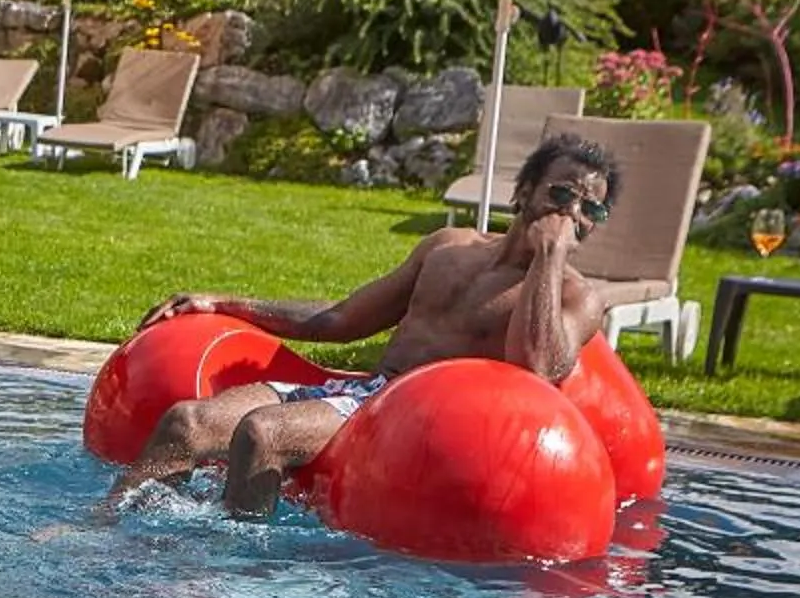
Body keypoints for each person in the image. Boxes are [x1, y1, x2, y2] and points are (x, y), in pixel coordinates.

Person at [112, 132, 623, 518]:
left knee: (262, 433)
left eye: (589, 207)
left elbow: (536, 368)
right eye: (561, 196)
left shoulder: (577, 296)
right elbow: (342, 318)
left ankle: (230, 583)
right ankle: (104, 532)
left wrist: (550, 257)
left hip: (418, 425)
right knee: (186, 422)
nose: (572, 213)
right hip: (366, 396)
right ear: (526, 191)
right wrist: (219, 301)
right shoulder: (448, 248)